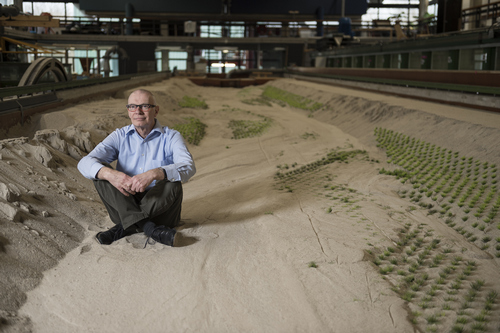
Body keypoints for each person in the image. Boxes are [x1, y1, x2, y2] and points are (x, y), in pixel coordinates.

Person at [77, 89, 196, 247]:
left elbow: (189, 167)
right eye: (133, 106)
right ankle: (150, 228)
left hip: (163, 210)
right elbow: (84, 163)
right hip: (125, 201)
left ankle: (125, 227)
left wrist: (155, 173)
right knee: (100, 172)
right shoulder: (119, 136)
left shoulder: (171, 136)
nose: (138, 111)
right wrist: (111, 175)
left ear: (156, 110)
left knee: (171, 178)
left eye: (145, 106)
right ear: (128, 111)